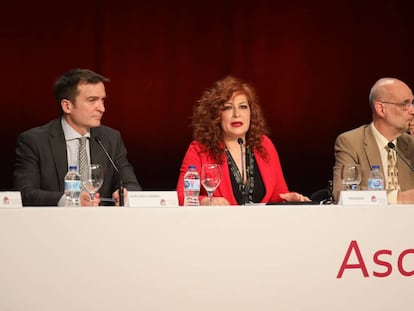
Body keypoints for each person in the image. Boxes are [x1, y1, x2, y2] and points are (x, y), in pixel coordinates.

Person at [14, 68, 141, 206]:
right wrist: (70, 200)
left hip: (102, 223)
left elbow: (131, 185)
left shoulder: (111, 138)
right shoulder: (35, 141)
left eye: (102, 100)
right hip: (53, 223)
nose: (102, 108)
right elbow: (24, 193)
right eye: (92, 100)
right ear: (67, 106)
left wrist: (125, 194)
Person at [176, 75, 310, 205]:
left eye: (243, 107)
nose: (237, 114)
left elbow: (277, 195)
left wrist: (288, 199)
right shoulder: (199, 150)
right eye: (228, 107)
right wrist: (206, 201)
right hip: (220, 225)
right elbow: (182, 197)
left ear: (251, 112)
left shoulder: (264, 145)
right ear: (216, 115)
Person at [333, 77, 414, 203]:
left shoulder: (411, 143)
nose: (412, 111)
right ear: (381, 109)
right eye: (404, 104)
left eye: (412, 103)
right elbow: (342, 193)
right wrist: (397, 198)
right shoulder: (351, 142)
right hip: (370, 220)